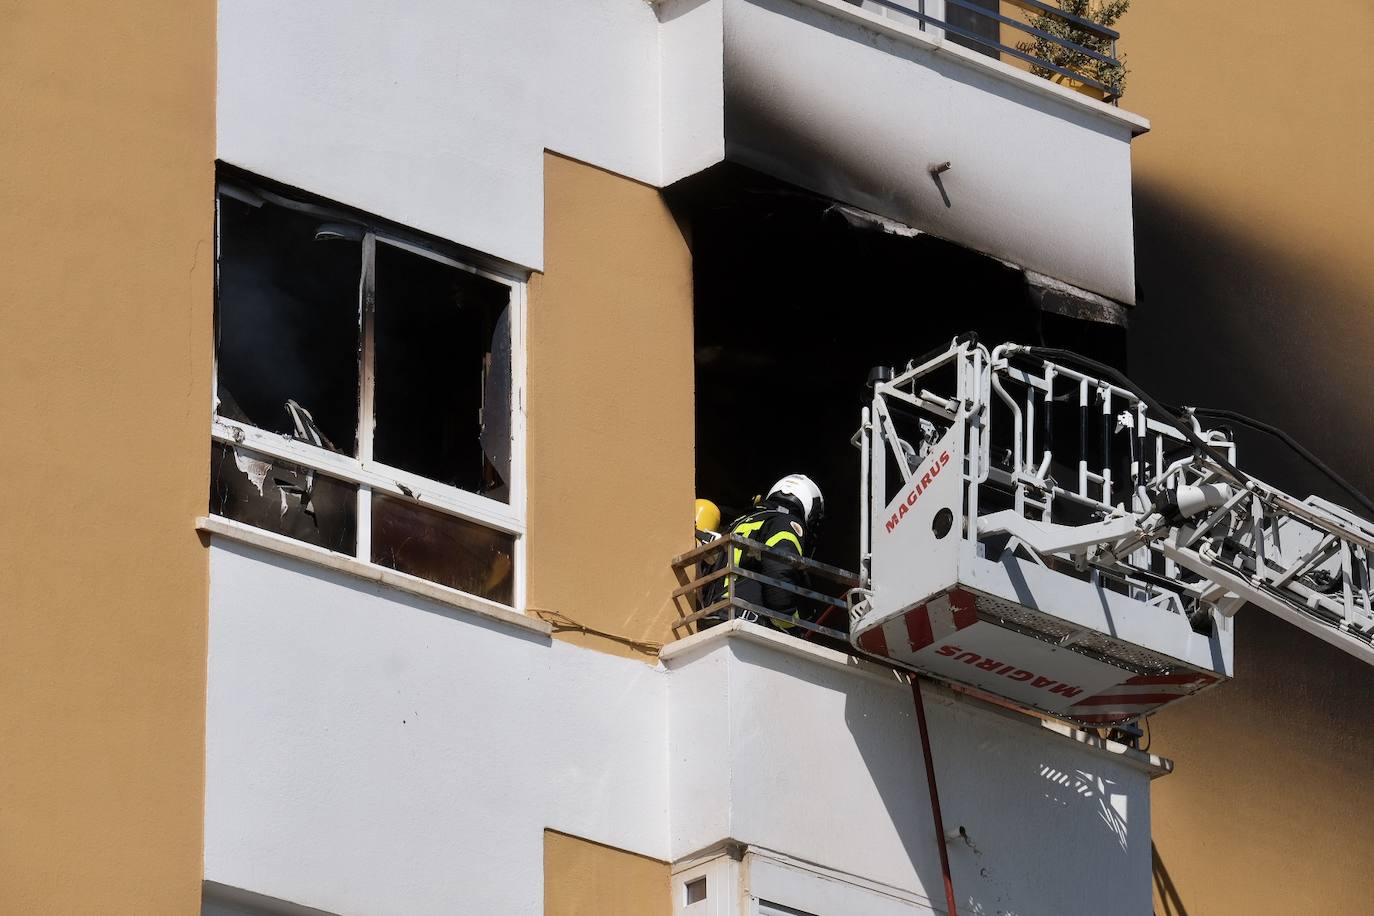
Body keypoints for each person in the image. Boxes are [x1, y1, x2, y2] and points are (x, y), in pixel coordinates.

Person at [707, 474, 824, 633]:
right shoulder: (785, 522)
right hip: (747, 621)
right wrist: (790, 622)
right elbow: (779, 569)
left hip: (716, 615)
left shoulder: (735, 524)